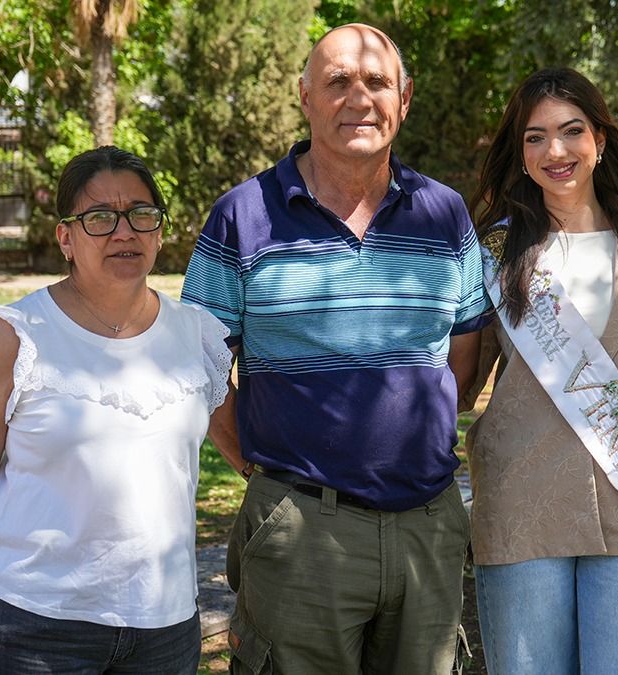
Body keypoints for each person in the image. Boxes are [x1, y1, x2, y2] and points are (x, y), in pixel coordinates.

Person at [180, 23, 488, 675]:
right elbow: (197, 366)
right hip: (299, 531)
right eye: (338, 81)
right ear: (305, 97)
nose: (359, 98)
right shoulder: (243, 215)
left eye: (377, 81)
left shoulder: (446, 215)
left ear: (405, 98)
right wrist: (262, 470)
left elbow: (465, 358)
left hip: (427, 528)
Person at [0, 146, 234, 673]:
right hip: (36, 627)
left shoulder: (195, 334)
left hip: (166, 625)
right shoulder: (16, 336)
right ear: (66, 238)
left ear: (160, 231)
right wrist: (16, 574)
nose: (124, 232)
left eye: (141, 214)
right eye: (100, 218)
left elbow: (238, 446)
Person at [462, 67, 618, 675]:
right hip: (521, 504)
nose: (556, 151)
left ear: (599, 138)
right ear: (520, 153)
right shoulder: (491, 253)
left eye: (571, 131)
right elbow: (460, 386)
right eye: (535, 137)